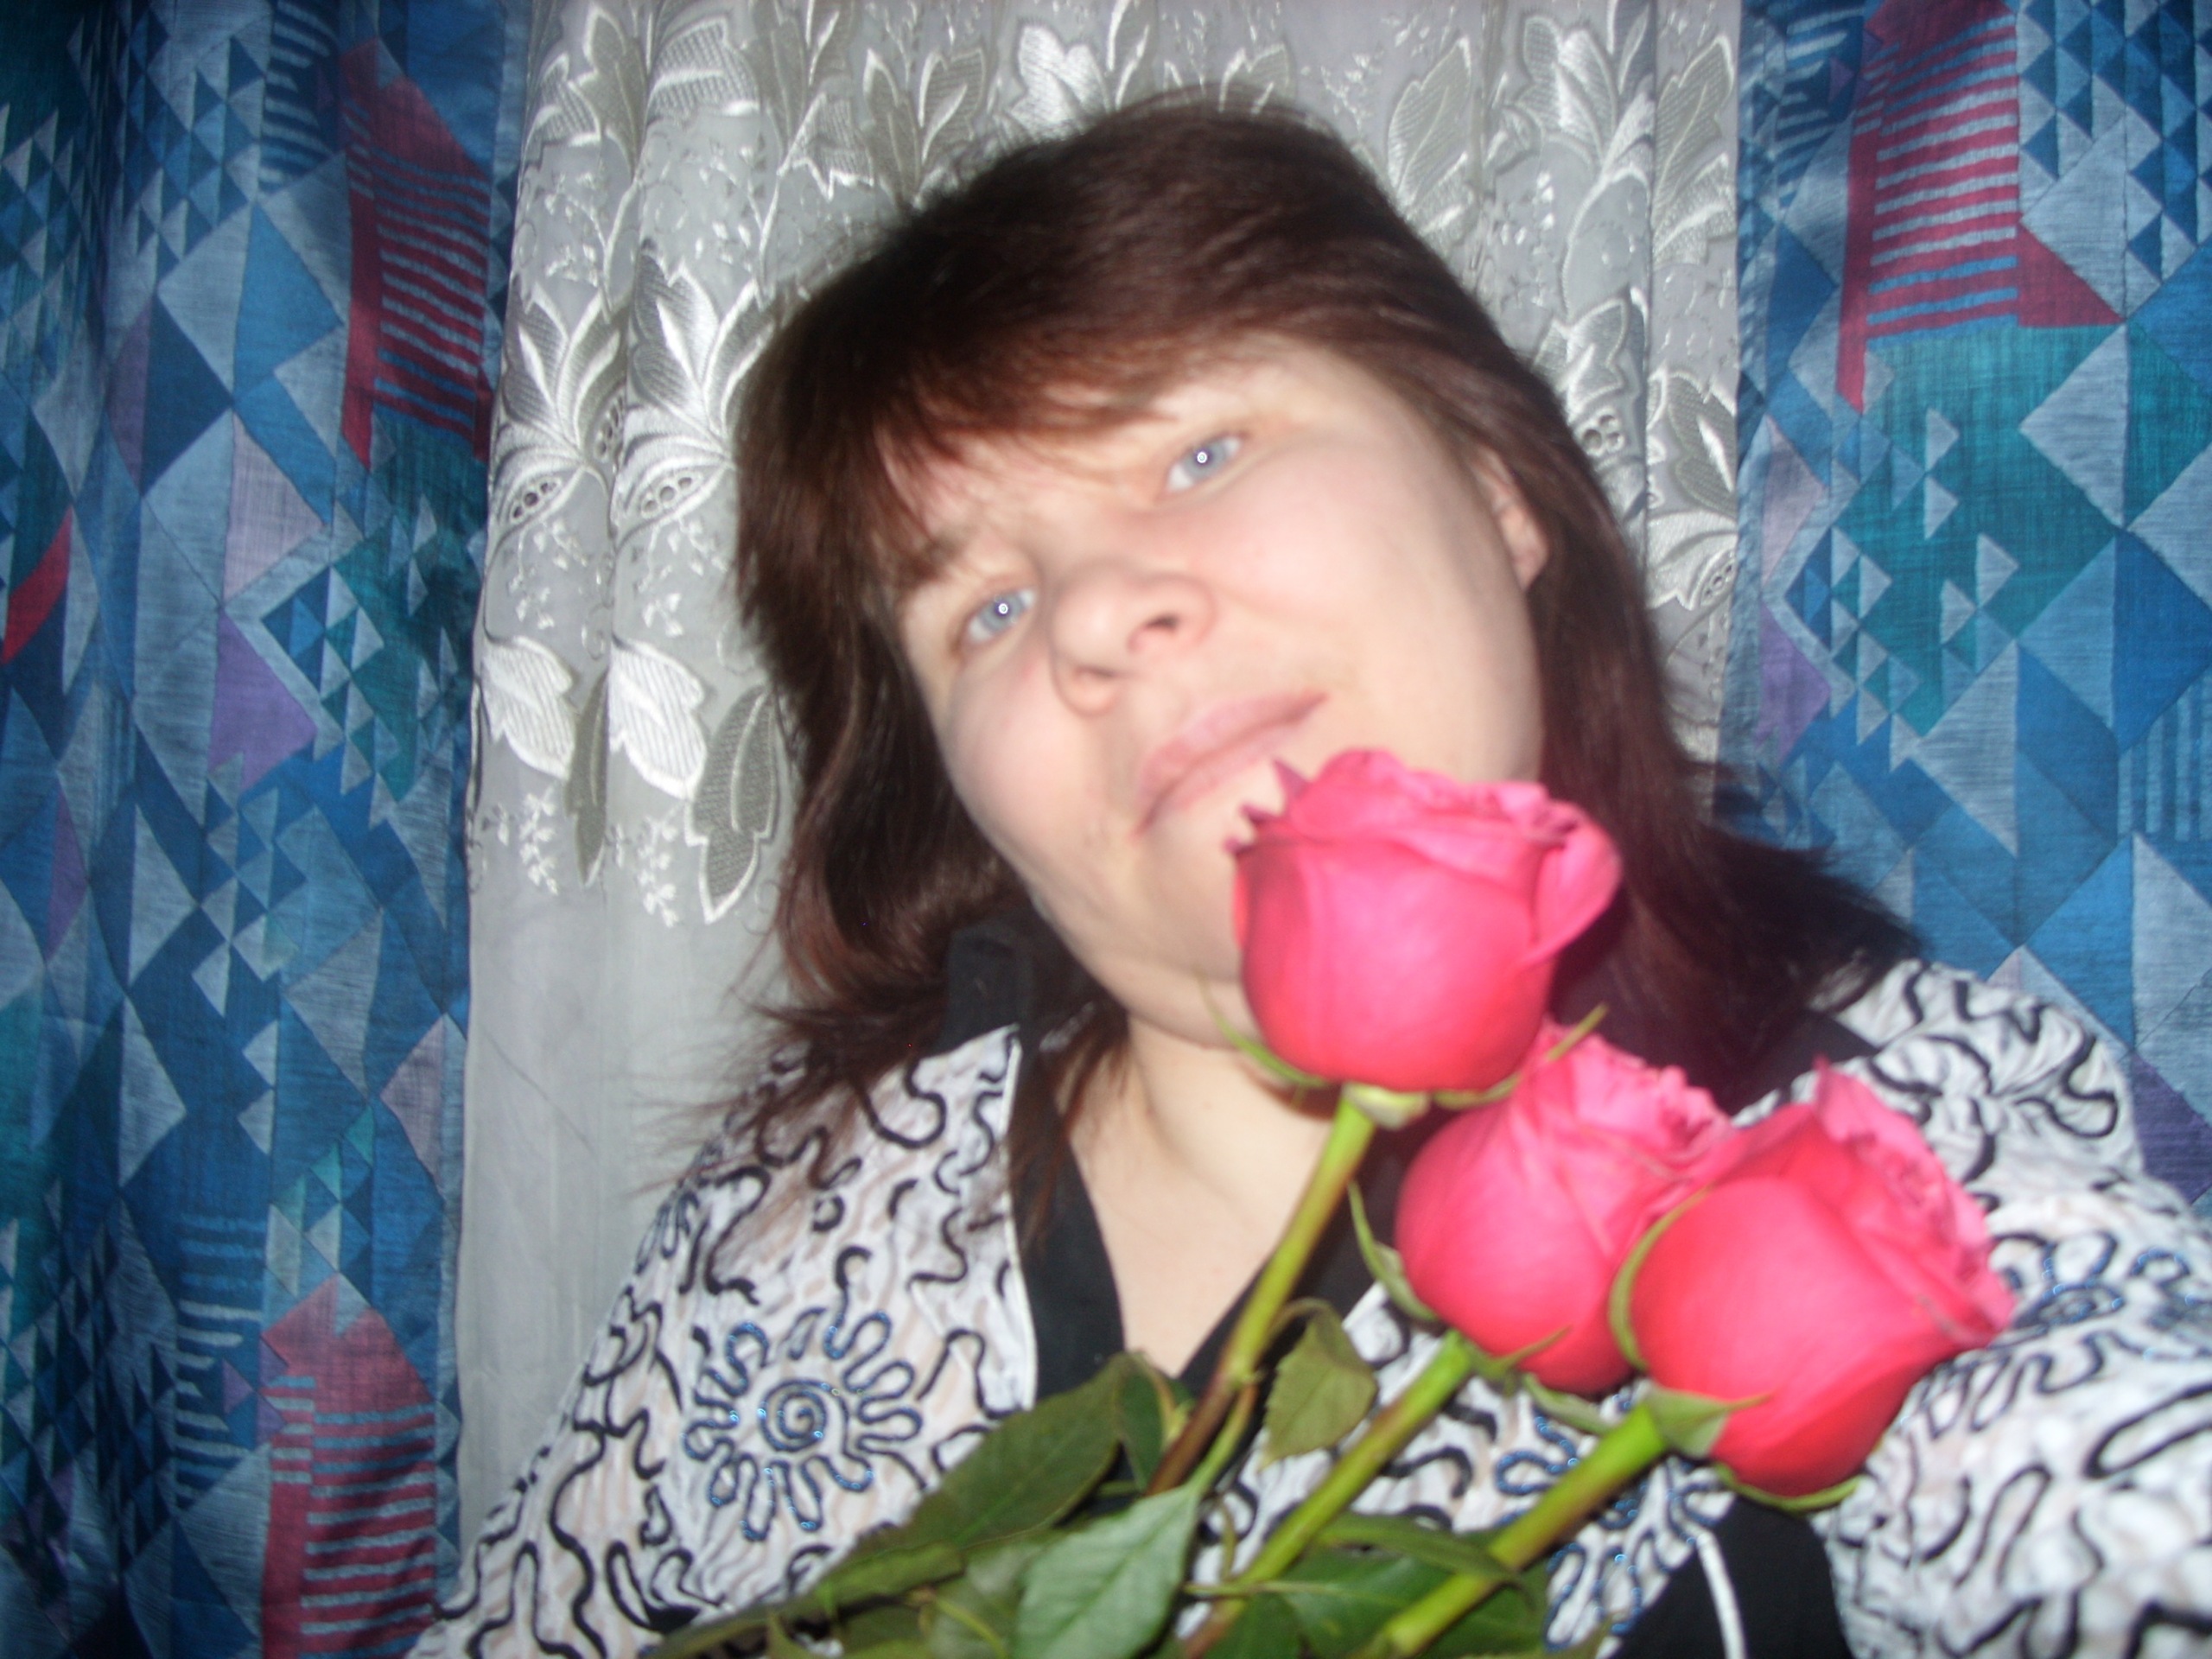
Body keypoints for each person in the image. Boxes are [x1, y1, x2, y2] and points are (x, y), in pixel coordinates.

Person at [413, 100, 2212, 1657]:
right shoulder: (813, 1202)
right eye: (988, 606)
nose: (1098, 614)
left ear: (1498, 488)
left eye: (1199, 450)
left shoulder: (1891, 1152)